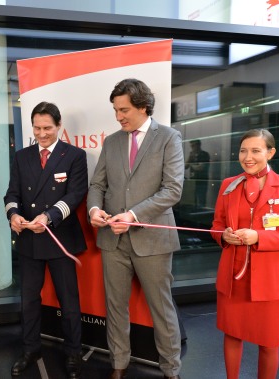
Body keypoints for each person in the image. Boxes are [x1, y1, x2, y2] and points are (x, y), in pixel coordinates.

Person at [87, 78, 184, 379]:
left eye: (124, 110)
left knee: (162, 309)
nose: (119, 117)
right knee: (115, 307)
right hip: (111, 240)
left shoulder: (169, 138)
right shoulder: (112, 141)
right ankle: (119, 363)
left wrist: (131, 215)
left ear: (143, 106)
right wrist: (94, 209)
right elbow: (98, 184)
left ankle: (171, 370)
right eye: (116, 110)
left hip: (153, 239)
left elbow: (172, 190)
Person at [210, 129, 279, 379]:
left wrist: (259, 237)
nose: (247, 157)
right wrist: (223, 236)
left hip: (270, 280)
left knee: (269, 342)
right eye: (243, 150)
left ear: (270, 153)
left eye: (255, 151)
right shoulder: (228, 185)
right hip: (234, 276)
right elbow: (216, 225)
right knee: (232, 334)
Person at [5, 101, 88, 379]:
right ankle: (30, 349)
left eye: (47, 128)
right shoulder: (22, 156)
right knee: (28, 299)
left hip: (59, 236)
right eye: (37, 128)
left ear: (59, 126)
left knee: (69, 300)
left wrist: (48, 217)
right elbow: (12, 193)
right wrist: (14, 215)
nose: (41, 134)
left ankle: (73, 351)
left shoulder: (74, 155)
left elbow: (75, 194)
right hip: (29, 239)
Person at [185, 139, 210, 209]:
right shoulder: (191, 155)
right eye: (191, 146)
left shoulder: (204, 154)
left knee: (201, 199)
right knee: (192, 200)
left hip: (202, 181)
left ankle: (201, 215)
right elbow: (185, 167)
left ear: (198, 145)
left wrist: (191, 164)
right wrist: (189, 158)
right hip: (193, 181)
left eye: (193, 146)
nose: (192, 148)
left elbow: (200, 168)